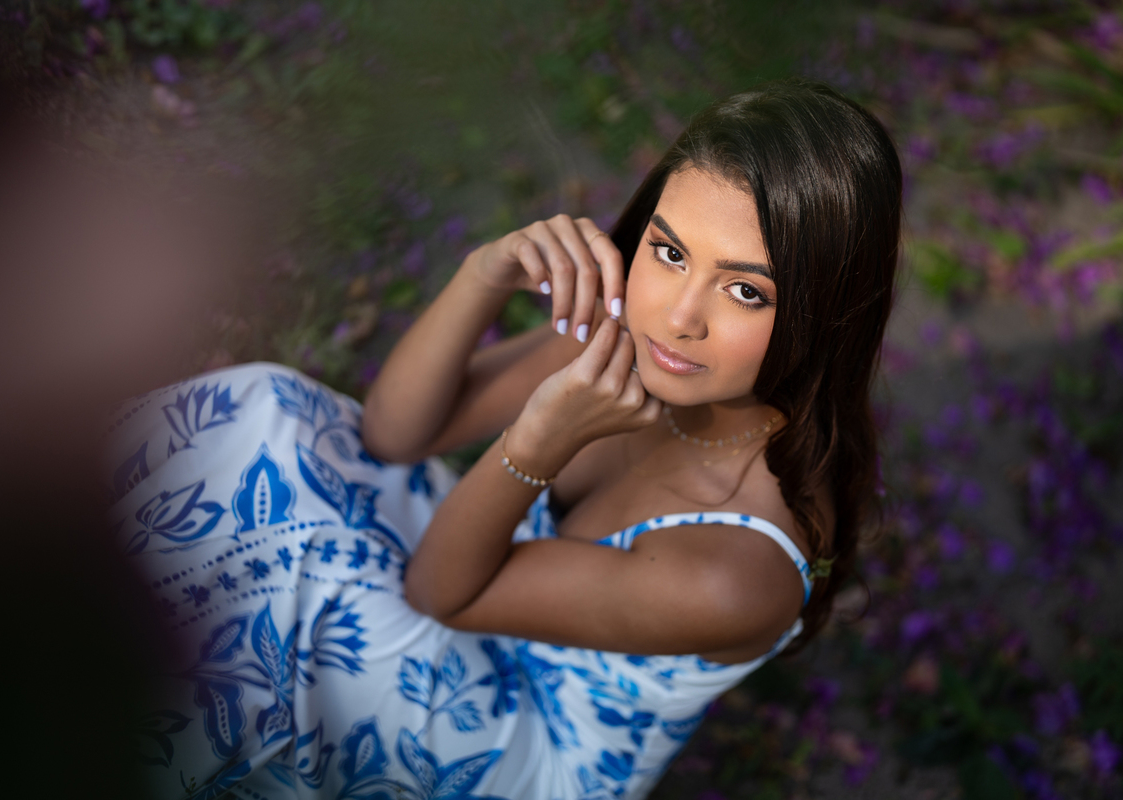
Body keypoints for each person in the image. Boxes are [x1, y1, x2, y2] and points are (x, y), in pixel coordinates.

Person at [108, 79, 901, 800]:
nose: (680, 315)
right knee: (268, 410)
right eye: (669, 252)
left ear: (826, 313)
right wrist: (483, 274)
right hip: (466, 569)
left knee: (295, 602)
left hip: (520, 742)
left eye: (745, 291)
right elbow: (393, 434)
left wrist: (539, 441)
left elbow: (439, 595)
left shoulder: (740, 572)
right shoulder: (643, 332)